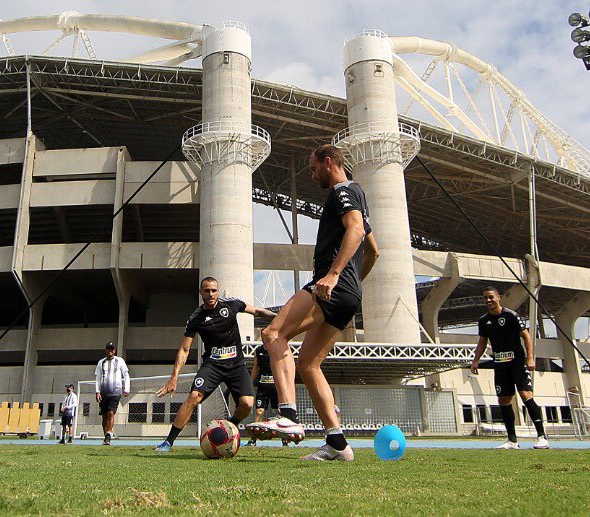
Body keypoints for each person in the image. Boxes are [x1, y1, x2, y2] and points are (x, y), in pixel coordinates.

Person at [248, 144, 380, 461]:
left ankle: (289, 416)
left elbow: (357, 229)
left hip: (331, 288)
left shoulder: (342, 191)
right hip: (348, 295)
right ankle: (337, 444)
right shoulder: (358, 195)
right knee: (308, 364)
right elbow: (374, 250)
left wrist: (335, 275)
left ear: (328, 161)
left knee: (272, 335)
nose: (312, 174)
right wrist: (352, 283)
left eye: (313, 167)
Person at [154, 277, 276, 453]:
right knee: (194, 397)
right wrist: (173, 379)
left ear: (218, 291)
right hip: (212, 365)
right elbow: (184, 349)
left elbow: (256, 310)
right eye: (206, 291)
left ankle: (230, 425)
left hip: (236, 365)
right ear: (201, 293)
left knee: (248, 404)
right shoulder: (196, 318)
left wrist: (278, 317)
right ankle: (168, 442)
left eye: (213, 290)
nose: (210, 294)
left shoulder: (232, 305)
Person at [471, 286, 549, 449]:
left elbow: (526, 336)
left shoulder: (511, 316)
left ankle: (542, 437)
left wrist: (530, 358)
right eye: (485, 298)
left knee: (525, 395)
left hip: (517, 363)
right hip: (500, 365)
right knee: (504, 400)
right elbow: (482, 342)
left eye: (491, 297)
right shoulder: (483, 320)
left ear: (498, 297)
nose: (488, 300)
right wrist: (476, 360)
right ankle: (512, 440)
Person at [94, 342, 131, 445]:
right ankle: (106, 435)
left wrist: (126, 388)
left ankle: (108, 436)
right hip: (104, 392)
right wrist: (97, 391)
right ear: (106, 350)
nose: (110, 351)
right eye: (108, 349)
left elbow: (126, 374)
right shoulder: (101, 362)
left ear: (114, 350)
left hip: (116, 391)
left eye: (112, 349)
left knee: (111, 413)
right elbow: (97, 377)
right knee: (104, 416)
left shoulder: (120, 361)